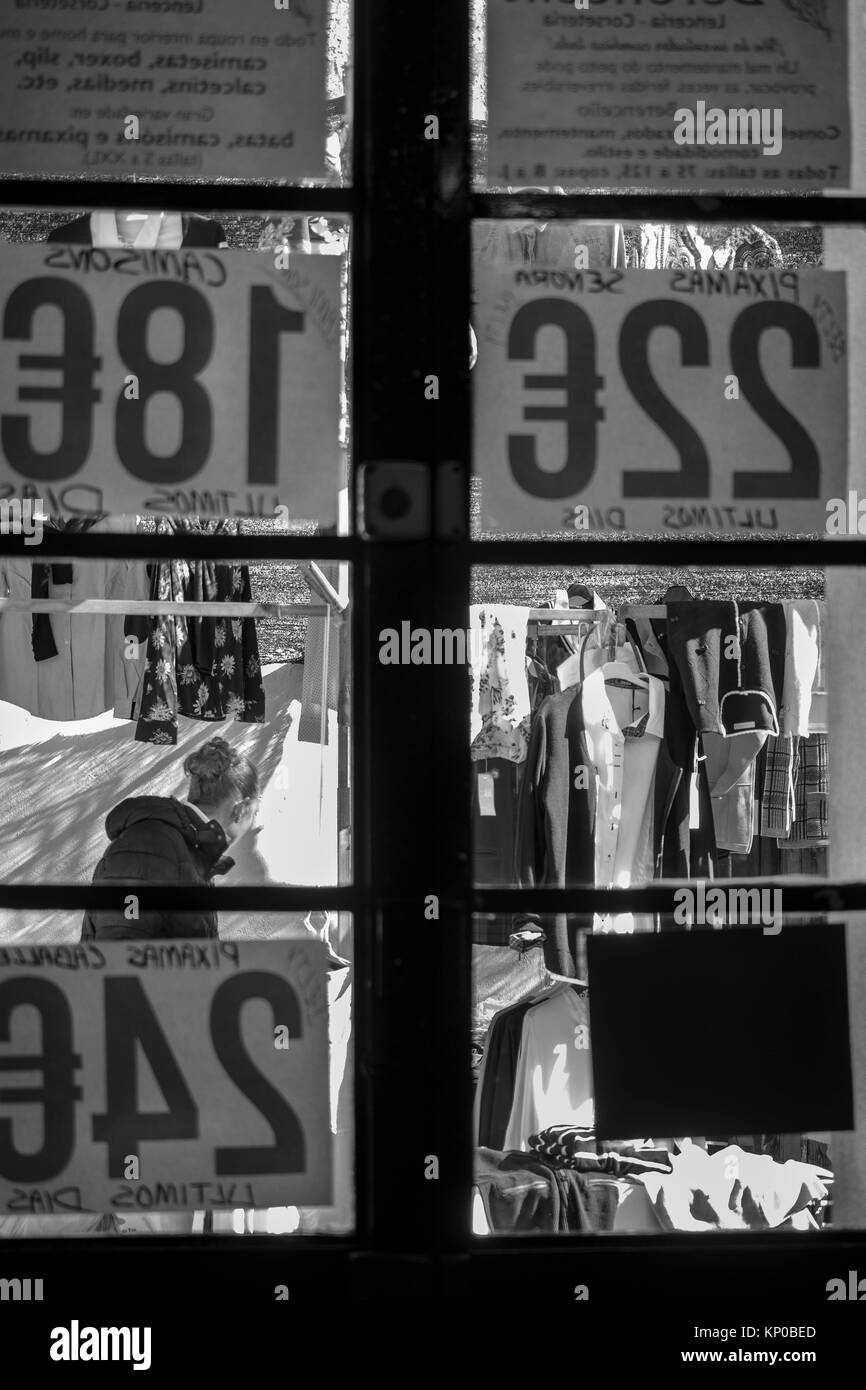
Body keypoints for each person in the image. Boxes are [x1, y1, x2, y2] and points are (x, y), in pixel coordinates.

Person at [81, 738, 260, 942]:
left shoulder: (190, 852)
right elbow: (119, 956)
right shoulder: (152, 848)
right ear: (240, 810)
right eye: (255, 813)